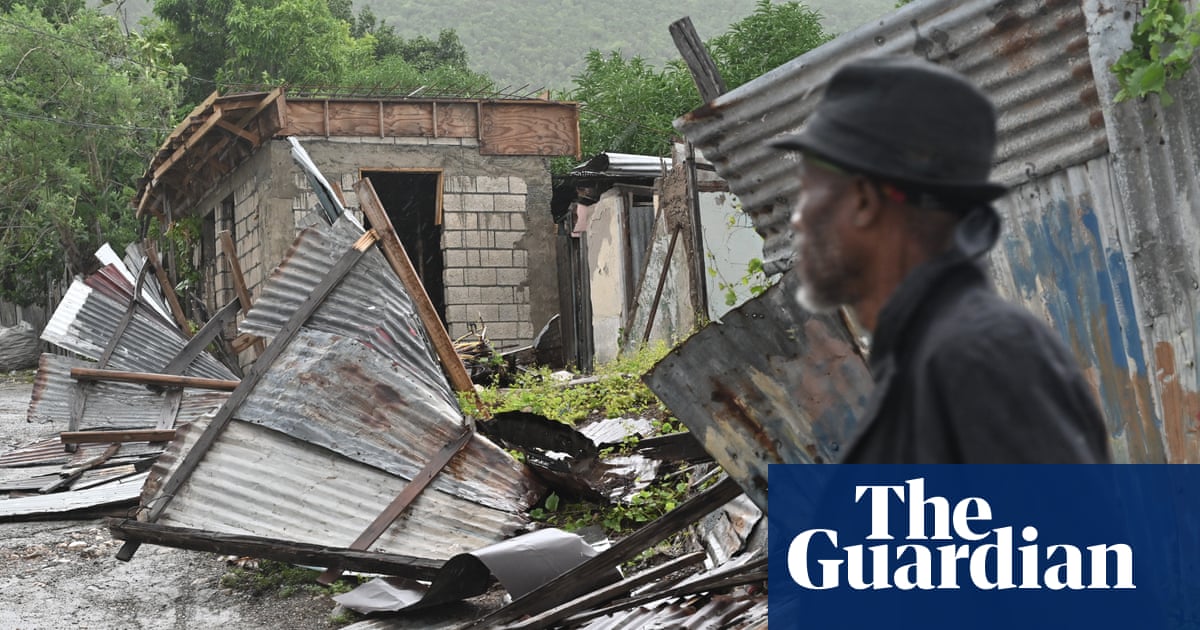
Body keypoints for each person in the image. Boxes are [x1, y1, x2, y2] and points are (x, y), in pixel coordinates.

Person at [771, 56, 1111, 463]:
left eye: (810, 191)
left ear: (863, 200)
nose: (797, 218)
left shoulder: (978, 358)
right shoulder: (924, 363)